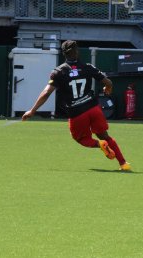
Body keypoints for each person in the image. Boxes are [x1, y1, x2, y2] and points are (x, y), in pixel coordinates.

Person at [22, 40, 131, 172]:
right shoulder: (88, 67)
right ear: (77, 52)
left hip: (77, 113)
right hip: (93, 108)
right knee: (105, 135)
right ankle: (124, 164)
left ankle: (100, 145)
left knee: (81, 139)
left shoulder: (59, 72)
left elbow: (46, 93)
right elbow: (108, 82)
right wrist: (108, 88)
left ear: (64, 54)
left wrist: (32, 110)